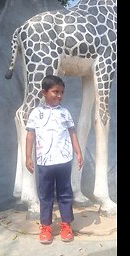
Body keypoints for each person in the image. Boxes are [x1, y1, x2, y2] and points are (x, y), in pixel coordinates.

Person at [25, 75, 83, 244]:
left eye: (62, 92)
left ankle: (66, 225)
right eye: (55, 92)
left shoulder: (65, 113)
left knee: (65, 194)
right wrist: (28, 156)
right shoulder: (36, 113)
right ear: (44, 92)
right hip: (44, 163)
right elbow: (30, 135)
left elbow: (72, 133)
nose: (59, 95)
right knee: (45, 195)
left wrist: (78, 152)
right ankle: (46, 227)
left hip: (64, 161)